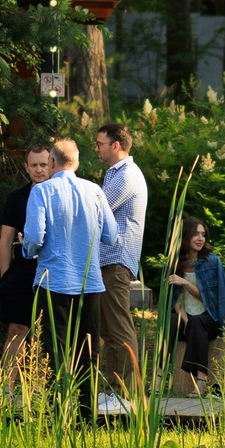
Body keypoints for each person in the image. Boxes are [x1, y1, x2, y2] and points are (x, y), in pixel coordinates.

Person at [20, 136, 119, 409]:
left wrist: (28, 249)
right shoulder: (95, 191)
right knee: (88, 352)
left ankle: (57, 412)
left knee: (54, 352)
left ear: (52, 162)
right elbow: (112, 235)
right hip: (90, 283)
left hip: (53, 282)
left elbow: (34, 237)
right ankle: (86, 412)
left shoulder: (41, 192)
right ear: (76, 163)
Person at [92, 122, 149, 391]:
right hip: (108, 260)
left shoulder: (126, 175)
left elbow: (96, 209)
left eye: (99, 144)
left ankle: (126, 392)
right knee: (109, 330)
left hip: (115, 260)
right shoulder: (116, 174)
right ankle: (114, 390)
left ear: (115, 145)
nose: (96, 149)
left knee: (119, 328)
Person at [0, 145, 58, 355]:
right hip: (22, 271)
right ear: (26, 167)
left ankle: (43, 377)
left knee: (48, 332)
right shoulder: (17, 197)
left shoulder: (60, 195)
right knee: (17, 329)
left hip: (53, 271)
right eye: (33, 165)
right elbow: (6, 240)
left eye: (43, 164)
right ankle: (8, 377)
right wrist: (5, 277)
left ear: (52, 164)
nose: (39, 170)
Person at [162, 217, 225, 393]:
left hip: (208, 318)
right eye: (195, 234)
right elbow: (176, 300)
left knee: (197, 322)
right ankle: (159, 377)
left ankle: (201, 381)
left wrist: (185, 282)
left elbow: (210, 299)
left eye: (203, 235)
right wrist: (184, 321)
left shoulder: (212, 262)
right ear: (185, 236)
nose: (200, 239)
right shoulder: (175, 263)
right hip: (186, 316)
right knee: (170, 320)